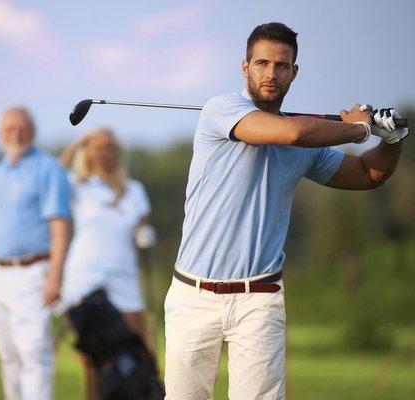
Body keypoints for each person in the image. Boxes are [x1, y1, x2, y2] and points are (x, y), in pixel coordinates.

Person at [164, 22, 408, 400]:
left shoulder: (306, 142)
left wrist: (391, 139)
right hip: (193, 295)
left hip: (259, 298)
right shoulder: (222, 109)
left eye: (281, 66)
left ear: (294, 73)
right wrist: (360, 130)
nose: (271, 74)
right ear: (245, 67)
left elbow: (365, 174)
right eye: (261, 63)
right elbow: (288, 133)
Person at [0, 107, 71, 400]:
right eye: (10, 127)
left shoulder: (48, 169)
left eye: (23, 126)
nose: (16, 133)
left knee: (34, 356)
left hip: (33, 273)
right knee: (8, 356)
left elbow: (60, 227)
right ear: (0, 133)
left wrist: (55, 279)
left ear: (33, 131)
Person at [59, 127, 153, 400]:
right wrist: (78, 140)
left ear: (117, 152)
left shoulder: (135, 190)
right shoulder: (78, 185)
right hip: (85, 278)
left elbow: (140, 229)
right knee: (95, 359)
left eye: (109, 147)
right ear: (87, 153)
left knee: (137, 350)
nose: (104, 153)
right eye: (97, 148)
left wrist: (143, 236)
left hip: (123, 277)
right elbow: (52, 175)